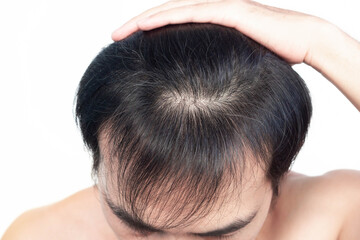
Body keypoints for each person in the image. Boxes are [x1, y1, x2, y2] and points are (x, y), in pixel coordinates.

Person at [2, 0, 359, 240]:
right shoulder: (43, 234)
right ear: (98, 162)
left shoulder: (336, 217)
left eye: (214, 236)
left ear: (278, 174)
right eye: (136, 225)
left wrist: (323, 42)